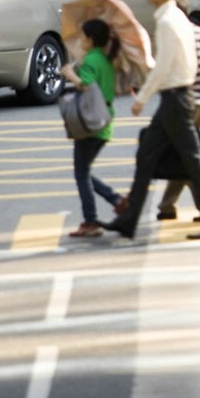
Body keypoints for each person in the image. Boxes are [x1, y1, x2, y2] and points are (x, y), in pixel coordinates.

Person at [103, 0, 200, 241]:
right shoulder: (174, 17)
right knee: (147, 156)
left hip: (176, 98)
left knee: (194, 162)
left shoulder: (169, 21)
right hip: (176, 97)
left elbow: (163, 67)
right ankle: (128, 220)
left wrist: (143, 97)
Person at [60, 18, 127, 238]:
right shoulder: (105, 59)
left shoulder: (90, 61)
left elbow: (86, 86)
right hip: (104, 121)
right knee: (84, 172)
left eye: (83, 37)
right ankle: (115, 200)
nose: (80, 41)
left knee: (81, 174)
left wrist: (70, 75)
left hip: (90, 123)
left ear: (89, 39)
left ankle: (91, 221)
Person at [155, 0, 200, 222]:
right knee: (183, 152)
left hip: (185, 101)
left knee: (188, 156)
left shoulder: (177, 32)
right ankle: (167, 205)